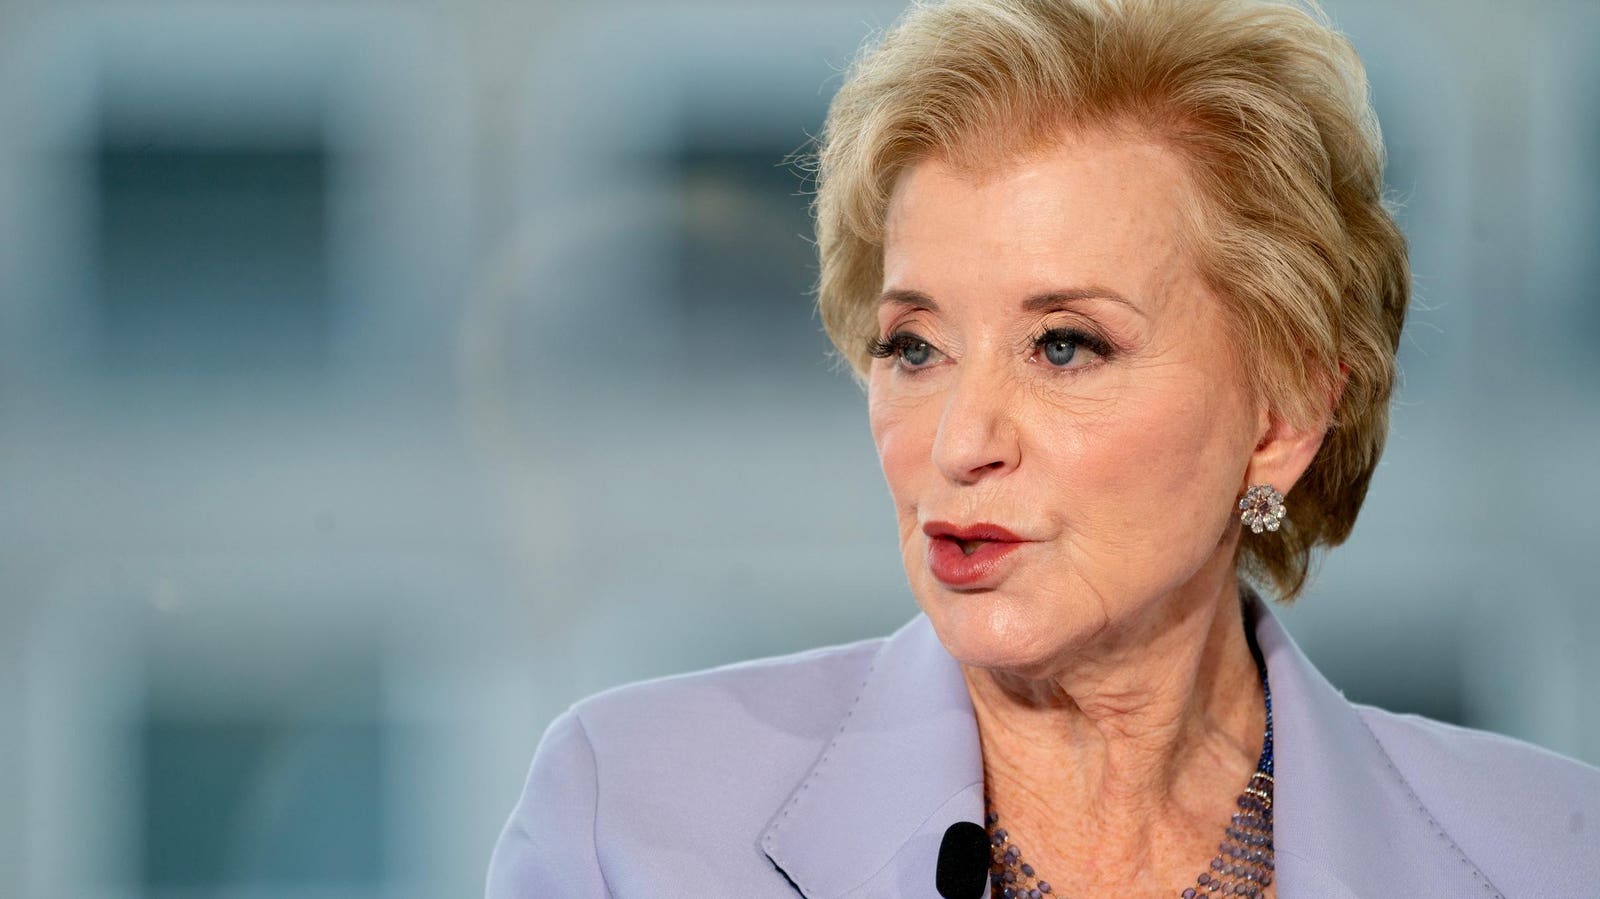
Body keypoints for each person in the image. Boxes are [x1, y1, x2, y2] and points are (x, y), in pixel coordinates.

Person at [486, 0, 1600, 895]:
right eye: (914, 347)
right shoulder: (630, 818)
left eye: (1064, 345)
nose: (960, 442)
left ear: (1281, 419)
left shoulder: (1555, 853)